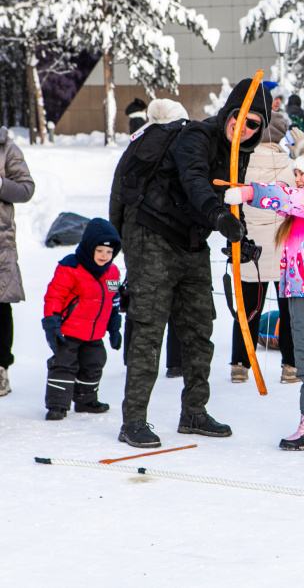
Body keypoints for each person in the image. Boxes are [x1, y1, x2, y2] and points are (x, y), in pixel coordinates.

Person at [115, 77, 271, 448]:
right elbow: (195, 181)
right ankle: (134, 419)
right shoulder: (196, 137)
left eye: (254, 124)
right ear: (229, 112)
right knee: (150, 327)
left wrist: (240, 237)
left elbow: (230, 200)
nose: (244, 127)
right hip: (151, 233)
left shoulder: (240, 154)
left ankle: (194, 413)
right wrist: (218, 217)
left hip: (191, 241)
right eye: (241, 117)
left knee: (200, 327)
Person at [226, 139, 304, 449]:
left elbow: (287, 198)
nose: (296, 180)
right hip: (301, 291)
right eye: (294, 174)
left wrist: (251, 193)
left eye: (302, 174)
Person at [117, 98, 189, 380]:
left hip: (135, 234)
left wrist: (118, 234)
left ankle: (132, 358)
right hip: (174, 233)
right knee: (177, 297)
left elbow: (117, 192)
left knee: (139, 298)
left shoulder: (136, 144)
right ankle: (176, 362)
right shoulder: (182, 145)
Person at [230, 110, 299, 385]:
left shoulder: (240, 164)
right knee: (288, 312)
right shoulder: (290, 165)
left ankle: (239, 364)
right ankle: (291, 367)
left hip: (250, 251)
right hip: (284, 250)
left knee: (247, 311)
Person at [42, 219, 122, 420]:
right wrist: (52, 322)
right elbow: (55, 295)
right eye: (100, 251)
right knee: (63, 365)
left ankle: (86, 400)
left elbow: (113, 303)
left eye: (109, 252)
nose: (105, 256)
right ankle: (58, 405)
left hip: (95, 333)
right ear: (89, 247)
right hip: (69, 331)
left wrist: (114, 329)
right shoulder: (70, 266)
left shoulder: (112, 272)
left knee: (94, 364)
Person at [0, 126, 35, 397]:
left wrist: (1, 185)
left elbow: (26, 189)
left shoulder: (6, 148)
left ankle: (1, 371)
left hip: (0, 244)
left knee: (0, 308)